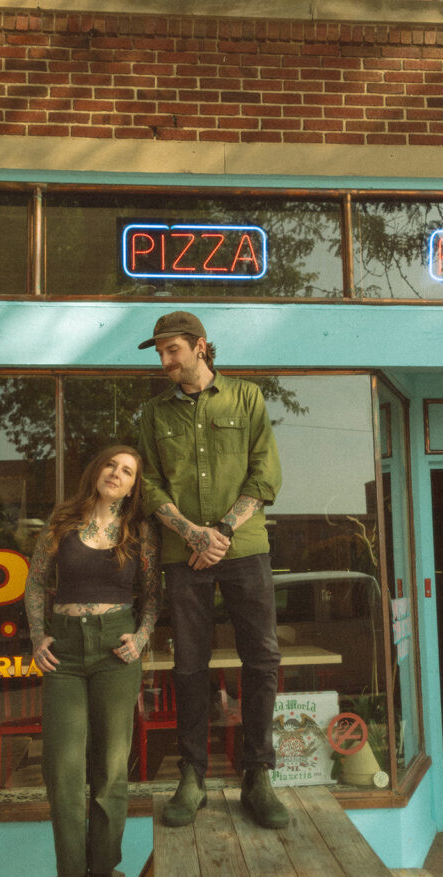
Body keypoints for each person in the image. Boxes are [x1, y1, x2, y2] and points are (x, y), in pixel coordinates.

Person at [137, 311, 289, 830]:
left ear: (200, 346)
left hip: (244, 547)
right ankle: (192, 777)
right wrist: (191, 534)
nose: (164, 361)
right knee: (189, 666)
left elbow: (266, 473)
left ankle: (258, 775)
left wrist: (220, 531)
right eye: (159, 352)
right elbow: (150, 486)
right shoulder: (154, 414)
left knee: (262, 658)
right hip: (184, 555)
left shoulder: (247, 398)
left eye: (171, 350)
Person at [24, 445, 161, 877]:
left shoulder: (138, 530)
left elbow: (152, 595)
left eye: (127, 471)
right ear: (97, 470)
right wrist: (38, 634)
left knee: (110, 765)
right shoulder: (62, 521)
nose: (117, 474)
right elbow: (37, 581)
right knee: (62, 767)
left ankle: (101, 876)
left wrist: (141, 637)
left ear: (133, 483)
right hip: (62, 650)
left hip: (114, 650)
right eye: (111, 465)